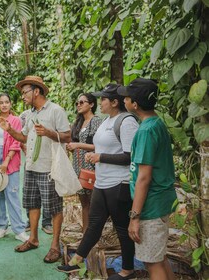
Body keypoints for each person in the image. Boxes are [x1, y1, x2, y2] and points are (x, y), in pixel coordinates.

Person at [57, 84, 138, 280]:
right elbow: (100, 146)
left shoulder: (126, 122)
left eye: (103, 99)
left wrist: (100, 157)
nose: (99, 103)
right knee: (94, 224)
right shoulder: (106, 121)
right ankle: (76, 260)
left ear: (114, 102)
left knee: (121, 228)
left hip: (119, 184)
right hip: (101, 183)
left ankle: (127, 270)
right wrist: (94, 154)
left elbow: (130, 156)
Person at [0, 75, 71, 263]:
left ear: (36, 91)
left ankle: (54, 246)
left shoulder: (56, 110)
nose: (22, 96)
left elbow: (68, 136)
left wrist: (48, 132)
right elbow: (23, 137)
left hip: (49, 167)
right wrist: (9, 130)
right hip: (31, 166)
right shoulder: (30, 114)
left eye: (24, 92)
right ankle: (33, 239)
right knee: (32, 204)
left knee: (54, 207)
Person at [118, 78, 177, 280]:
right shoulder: (156, 123)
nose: (123, 99)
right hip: (159, 201)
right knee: (158, 258)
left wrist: (134, 217)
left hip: (151, 206)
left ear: (135, 104)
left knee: (152, 263)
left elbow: (143, 178)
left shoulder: (145, 130)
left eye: (126, 97)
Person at [0, 93, 29, 242]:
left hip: (11, 158)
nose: (4, 105)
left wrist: (6, 161)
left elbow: (16, 142)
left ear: (10, 104)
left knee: (12, 193)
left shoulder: (15, 121)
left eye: (6, 102)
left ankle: (19, 229)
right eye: (1, 103)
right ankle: (2, 226)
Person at [66, 93, 101, 233]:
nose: (78, 105)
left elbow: (100, 147)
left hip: (91, 167)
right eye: (77, 103)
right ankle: (86, 233)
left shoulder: (96, 121)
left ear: (91, 104)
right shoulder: (78, 123)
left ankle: (93, 233)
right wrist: (72, 147)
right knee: (84, 203)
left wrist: (78, 145)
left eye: (82, 102)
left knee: (94, 203)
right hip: (78, 167)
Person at [20, 109, 53, 235]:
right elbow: (22, 135)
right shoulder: (24, 115)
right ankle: (30, 221)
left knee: (47, 193)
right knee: (30, 193)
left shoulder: (51, 112)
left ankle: (46, 222)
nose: (23, 96)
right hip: (30, 160)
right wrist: (23, 146)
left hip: (45, 160)